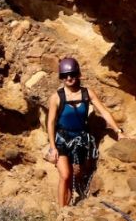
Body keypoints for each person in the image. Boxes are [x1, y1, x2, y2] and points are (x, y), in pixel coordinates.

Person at [45, 57, 127, 206]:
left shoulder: (87, 93)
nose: (69, 78)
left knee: (73, 176)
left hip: (80, 139)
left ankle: (67, 209)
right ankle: (61, 211)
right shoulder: (56, 97)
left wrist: (118, 131)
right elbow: (50, 123)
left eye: (72, 74)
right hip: (62, 139)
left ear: (78, 74)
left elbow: (104, 112)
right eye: (65, 75)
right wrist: (52, 147)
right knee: (65, 175)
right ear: (61, 77)